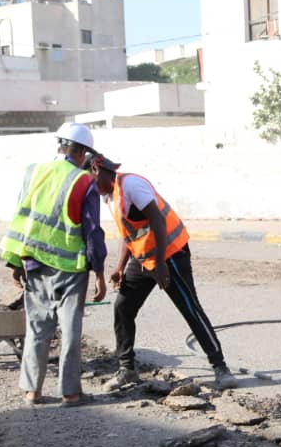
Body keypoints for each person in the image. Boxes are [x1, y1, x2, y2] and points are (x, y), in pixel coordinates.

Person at [90, 156, 236, 392]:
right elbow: (128, 233)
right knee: (123, 307)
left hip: (170, 255)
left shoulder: (131, 185)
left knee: (190, 309)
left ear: (96, 169)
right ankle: (127, 369)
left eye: (87, 179)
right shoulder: (110, 196)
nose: (88, 187)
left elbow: (157, 219)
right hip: (144, 259)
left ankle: (221, 368)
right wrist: (119, 267)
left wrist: (160, 264)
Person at [0, 123, 107, 405]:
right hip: (71, 269)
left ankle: (32, 390)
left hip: (34, 263)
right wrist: (99, 272)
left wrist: (14, 261)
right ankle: (70, 393)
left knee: (37, 328)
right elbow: (92, 231)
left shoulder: (32, 172)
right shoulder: (83, 181)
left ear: (60, 145)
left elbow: (20, 218)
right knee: (70, 331)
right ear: (83, 152)